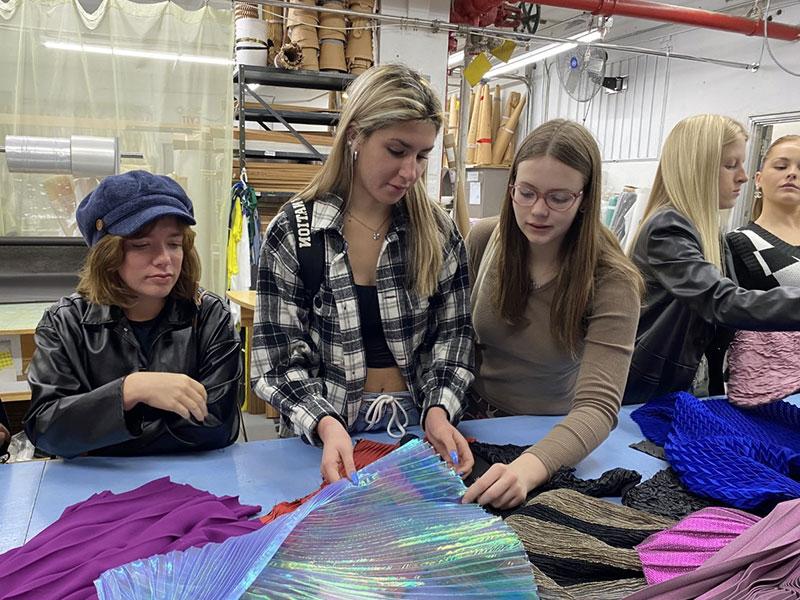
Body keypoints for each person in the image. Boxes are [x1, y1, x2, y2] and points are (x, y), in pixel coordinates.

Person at [251, 64, 475, 484]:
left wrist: (439, 412)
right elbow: (277, 361)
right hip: (324, 434)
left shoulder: (439, 233)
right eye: (396, 150)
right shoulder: (296, 232)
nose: (411, 171)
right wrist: (325, 422)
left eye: (422, 156)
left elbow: (453, 339)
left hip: (419, 430)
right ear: (355, 134)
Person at [461, 119, 643, 509]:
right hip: (471, 420)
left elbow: (597, 407)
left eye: (559, 198)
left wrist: (529, 467)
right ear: (511, 188)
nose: (538, 211)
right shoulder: (483, 240)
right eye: (526, 193)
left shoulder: (612, 279)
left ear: (585, 198)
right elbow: (455, 342)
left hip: (548, 432)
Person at [24, 170, 241, 458]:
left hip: (191, 486)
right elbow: (46, 430)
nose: (165, 259)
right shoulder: (65, 323)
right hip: (93, 490)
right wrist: (130, 390)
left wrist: (99, 431)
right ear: (107, 254)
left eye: (174, 244)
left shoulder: (209, 316)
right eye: (141, 245)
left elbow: (217, 427)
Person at [624, 115, 800, 404]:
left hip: (690, 389)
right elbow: (723, 302)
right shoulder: (667, 228)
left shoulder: (708, 233)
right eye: (731, 165)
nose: (742, 176)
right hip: (649, 393)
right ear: (697, 167)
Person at [726, 135, 800, 406]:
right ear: (758, 179)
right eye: (781, 167)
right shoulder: (738, 242)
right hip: (769, 393)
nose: (792, 174)